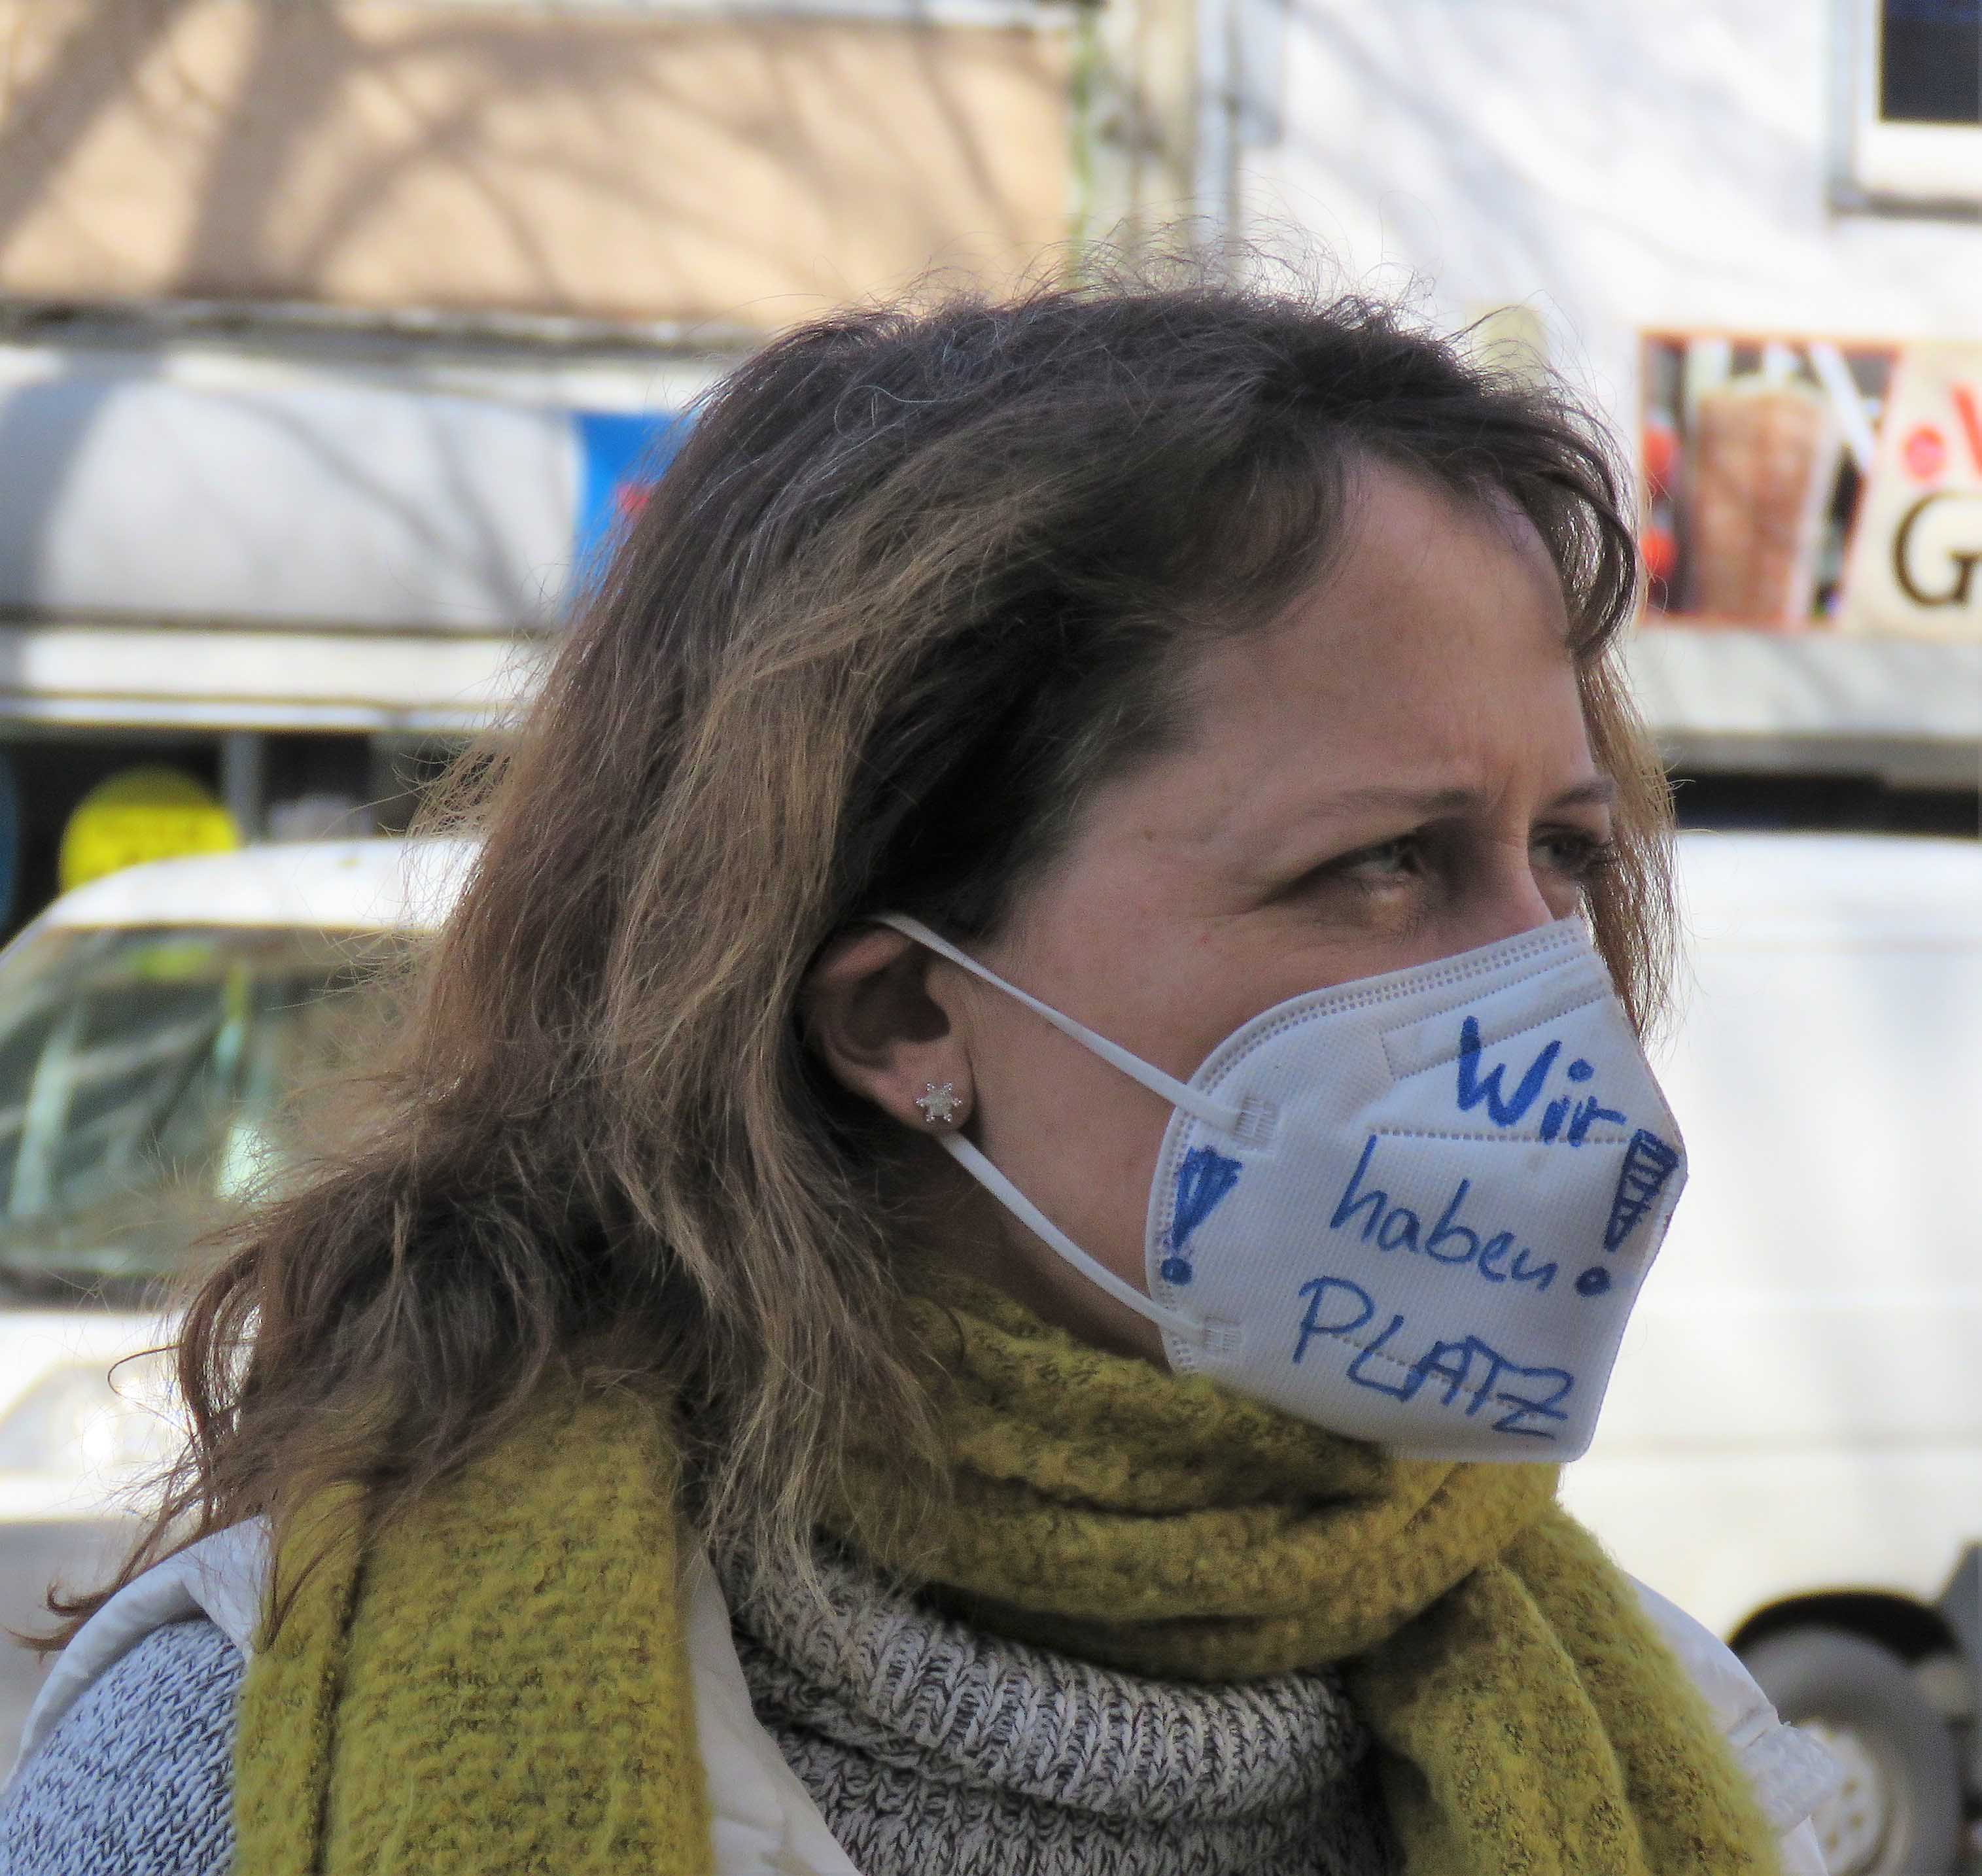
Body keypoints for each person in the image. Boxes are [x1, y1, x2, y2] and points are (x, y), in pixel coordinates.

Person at [1, 273, 1837, 1875]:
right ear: (896, 1014)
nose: (1546, 982)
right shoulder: (242, 1772)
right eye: (1382, 863)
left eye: (1568, 854)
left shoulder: (1683, 1744)